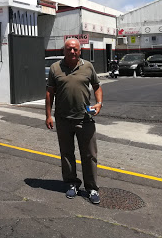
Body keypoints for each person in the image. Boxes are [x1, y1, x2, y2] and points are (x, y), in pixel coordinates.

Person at [45, 38, 103, 205]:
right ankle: (71, 183)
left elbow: (97, 86)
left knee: (90, 155)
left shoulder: (88, 66)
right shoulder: (55, 68)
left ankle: (91, 188)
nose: (72, 52)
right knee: (67, 154)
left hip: (85, 119)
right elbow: (50, 93)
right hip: (63, 120)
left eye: (75, 49)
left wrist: (99, 103)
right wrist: (48, 115)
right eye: (69, 49)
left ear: (80, 51)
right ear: (64, 50)